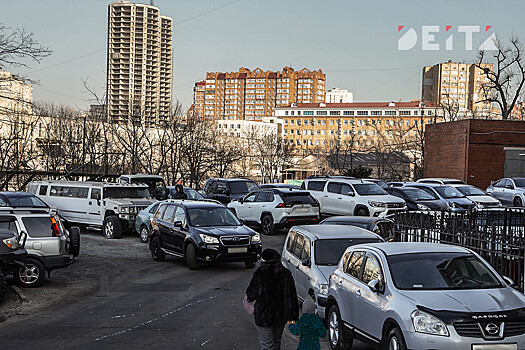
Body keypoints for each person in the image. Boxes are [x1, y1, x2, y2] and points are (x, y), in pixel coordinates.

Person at [246, 248, 299, 350]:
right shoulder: (286, 274)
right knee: (276, 341)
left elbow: (251, 293)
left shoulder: (260, 273)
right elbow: (292, 296)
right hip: (281, 315)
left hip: (264, 316)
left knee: (267, 344)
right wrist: (293, 315)